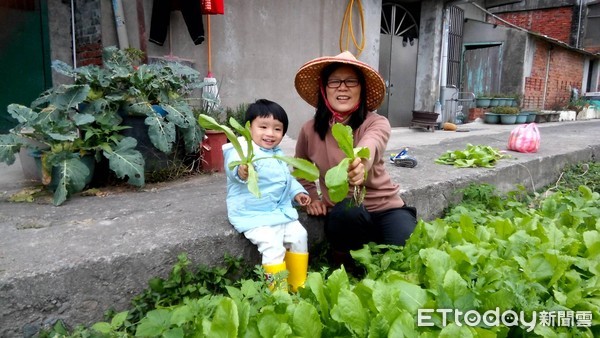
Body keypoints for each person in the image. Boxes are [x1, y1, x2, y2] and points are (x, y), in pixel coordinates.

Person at [293, 51, 417, 270]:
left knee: (404, 250)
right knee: (347, 212)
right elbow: (300, 169)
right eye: (334, 82)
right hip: (346, 211)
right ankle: (343, 265)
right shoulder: (309, 130)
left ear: (361, 89)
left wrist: (360, 162)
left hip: (385, 206)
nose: (342, 87)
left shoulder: (376, 122)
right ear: (324, 89)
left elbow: (372, 144)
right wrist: (311, 197)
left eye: (351, 81)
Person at [222, 99, 311, 291]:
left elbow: (286, 178)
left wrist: (297, 193)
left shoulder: (276, 154)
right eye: (263, 127)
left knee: (300, 235)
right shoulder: (241, 149)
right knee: (273, 246)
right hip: (253, 214)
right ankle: (279, 295)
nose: (270, 134)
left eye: (277, 129)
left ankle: (297, 286)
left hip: (279, 212)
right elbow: (233, 168)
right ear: (249, 127)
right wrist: (241, 171)